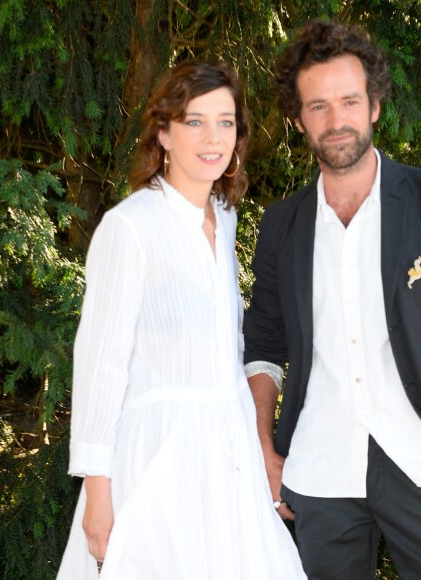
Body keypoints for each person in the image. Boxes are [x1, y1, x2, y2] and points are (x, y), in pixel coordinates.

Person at [243, 19, 421, 580]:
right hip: (318, 469)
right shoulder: (281, 225)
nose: (336, 120)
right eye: (318, 106)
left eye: (349, 100)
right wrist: (263, 450)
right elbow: (263, 345)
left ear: (374, 105)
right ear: (298, 119)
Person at [57, 61, 306, 579]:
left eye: (226, 121)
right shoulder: (128, 227)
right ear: (164, 133)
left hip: (229, 467)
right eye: (195, 121)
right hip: (156, 465)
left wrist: (260, 464)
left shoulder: (226, 217)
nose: (213, 137)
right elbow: (100, 366)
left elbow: (227, 360)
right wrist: (98, 495)